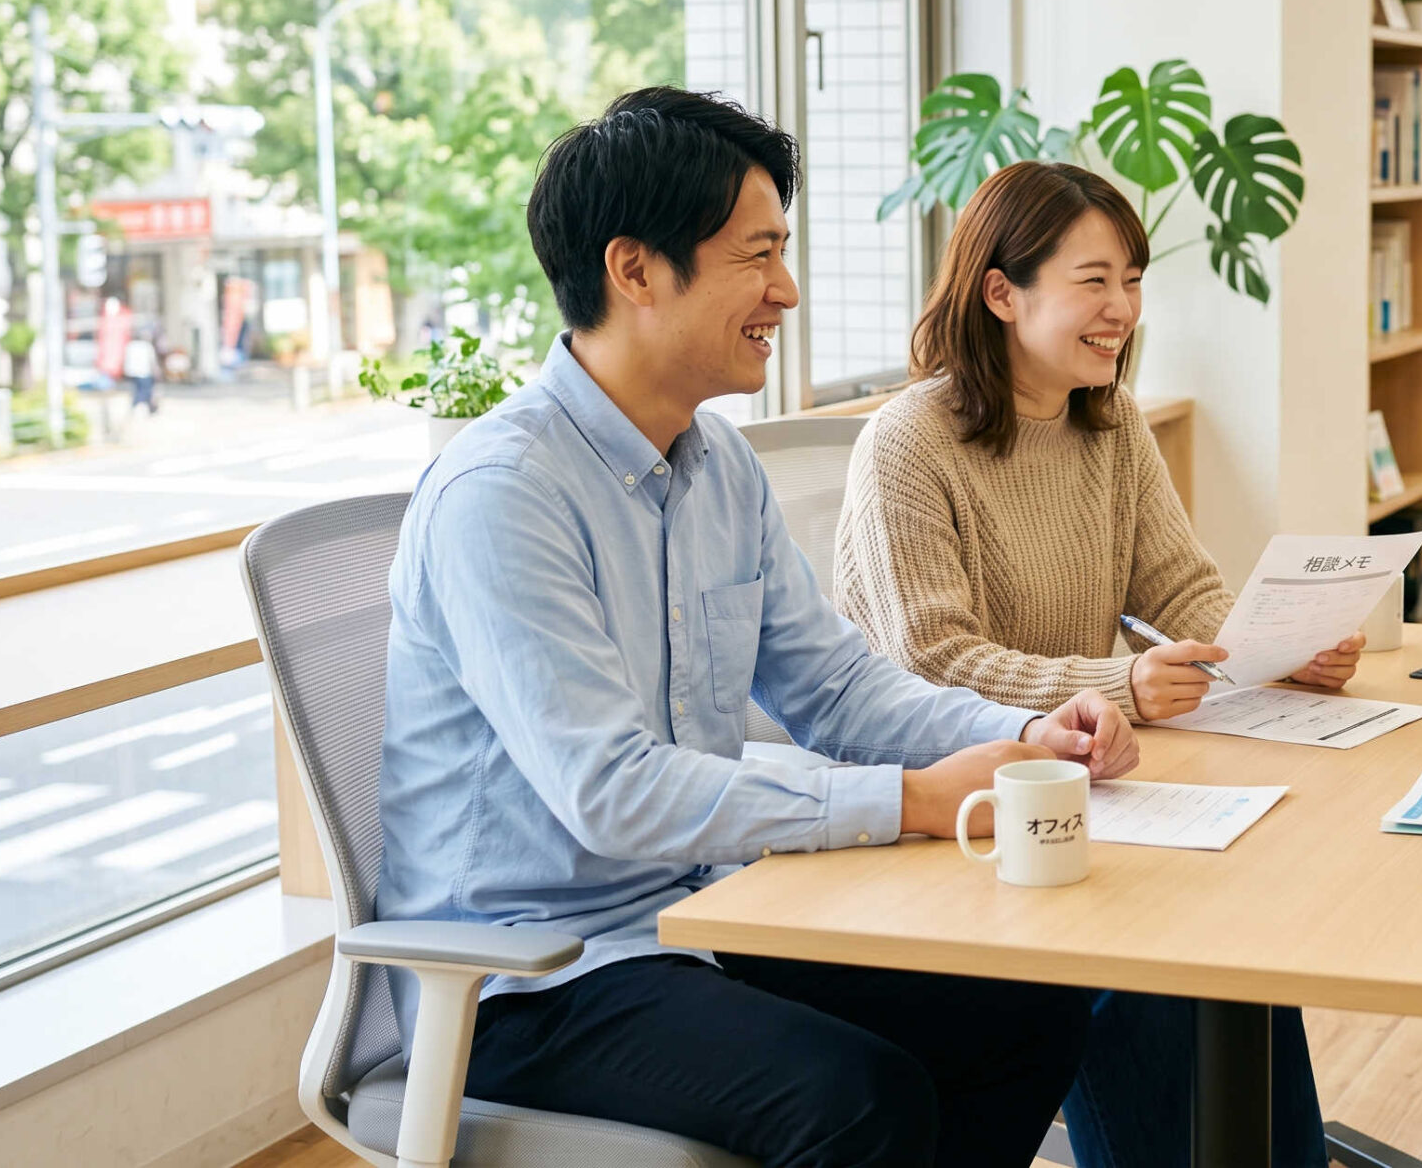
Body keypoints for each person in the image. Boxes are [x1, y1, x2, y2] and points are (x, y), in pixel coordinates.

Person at [379, 89, 1139, 1168]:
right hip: (530, 978)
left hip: (704, 916)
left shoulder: (718, 465)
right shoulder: (503, 495)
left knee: (1027, 1011)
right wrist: (913, 800)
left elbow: (837, 688)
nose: (786, 290)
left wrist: (1021, 731)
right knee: (858, 1099)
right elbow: (613, 790)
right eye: (758, 255)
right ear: (635, 270)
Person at [834, 158, 1356, 1168]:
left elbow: (1180, 587)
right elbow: (930, 661)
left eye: (1133, 279)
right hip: (957, 808)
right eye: (1094, 280)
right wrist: (1116, 685)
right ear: (1002, 292)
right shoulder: (908, 442)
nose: (1123, 308)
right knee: (1145, 975)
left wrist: (1278, 647)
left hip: (1088, 779)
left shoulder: (1109, 421)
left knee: (1240, 934)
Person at [121, 329, 157, 413]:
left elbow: (126, 359)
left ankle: (136, 404)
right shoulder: (147, 346)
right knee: (145, 390)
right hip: (144, 372)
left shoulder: (130, 345)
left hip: (132, 372)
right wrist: (155, 371)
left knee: (136, 389)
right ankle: (138, 404)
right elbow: (152, 361)